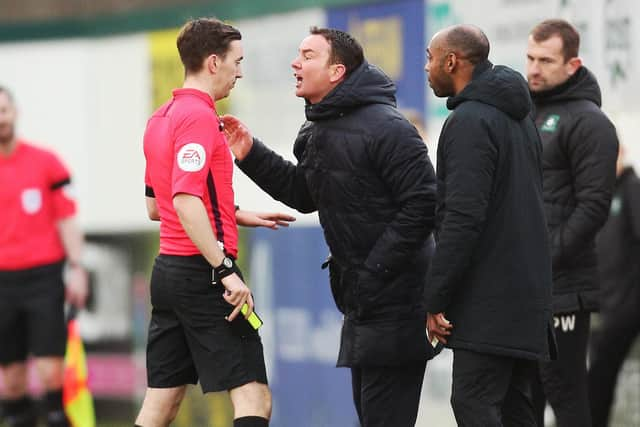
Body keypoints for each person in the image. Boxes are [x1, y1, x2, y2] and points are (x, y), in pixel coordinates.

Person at [222, 27, 437, 427]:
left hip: (397, 303)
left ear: (337, 71)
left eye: (307, 55)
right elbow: (305, 195)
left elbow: (424, 204)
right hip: (362, 303)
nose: (295, 63)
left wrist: (374, 269)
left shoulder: (389, 128)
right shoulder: (316, 129)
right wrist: (251, 154)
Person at [136, 18, 294, 427]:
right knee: (254, 398)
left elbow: (159, 207)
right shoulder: (198, 118)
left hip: (169, 272)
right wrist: (225, 270)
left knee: (161, 405)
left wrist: (237, 215)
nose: (239, 71)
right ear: (212, 62)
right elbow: (186, 200)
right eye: (236, 61)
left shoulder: (160, 118)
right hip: (205, 275)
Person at [423, 24, 555, 426]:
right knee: (518, 412)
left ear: (452, 61)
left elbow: (463, 217)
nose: (426, 68)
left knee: (474, 403)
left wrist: (435, 297)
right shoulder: (518, 118)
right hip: (526, 297)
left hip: (490, 300)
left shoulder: (469, 121)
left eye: (430, 58)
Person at [526, 19, 619, 426]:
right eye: (530, 57)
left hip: (564, 289)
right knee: (522, 398)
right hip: (522, 286)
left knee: (565, 396)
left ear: (572, 64)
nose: (533, 68)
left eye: (545, 60)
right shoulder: (523, 113)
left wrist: (545, 259)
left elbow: (595, 206)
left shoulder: (590, 122)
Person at [0, 86, 88, 427]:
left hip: (43, 277)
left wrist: (77, 267)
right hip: (2, 283)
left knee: (52, 373)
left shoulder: (46, 162)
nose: (0, 118)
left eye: (4, 110)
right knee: (11, 380)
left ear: (15, 113)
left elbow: (67, 217)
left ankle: (55, 415)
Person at [588, 145, 640, 427]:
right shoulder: (600, 196)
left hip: (624, 310)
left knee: (598, 382)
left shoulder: (631, 188)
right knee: (596, 385)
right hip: (604, 307)